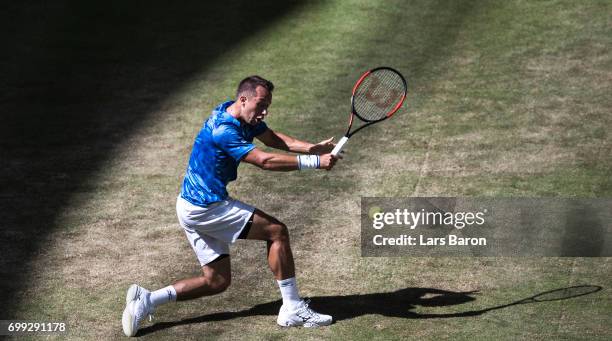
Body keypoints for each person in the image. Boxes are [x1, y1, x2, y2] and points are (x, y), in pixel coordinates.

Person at [122, 75, 340, 336]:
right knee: (276, 231)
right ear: (244, 99)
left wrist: (311, 149)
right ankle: (292, 309)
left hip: (189, 204)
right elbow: (265, 160)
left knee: (216, 281)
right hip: (207, 207)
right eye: (260, 105)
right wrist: (315, 163)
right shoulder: (224, 130)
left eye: (267, 105)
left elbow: (272, 139)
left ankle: (147, 299)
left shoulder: (238, 112)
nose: (264, 112)